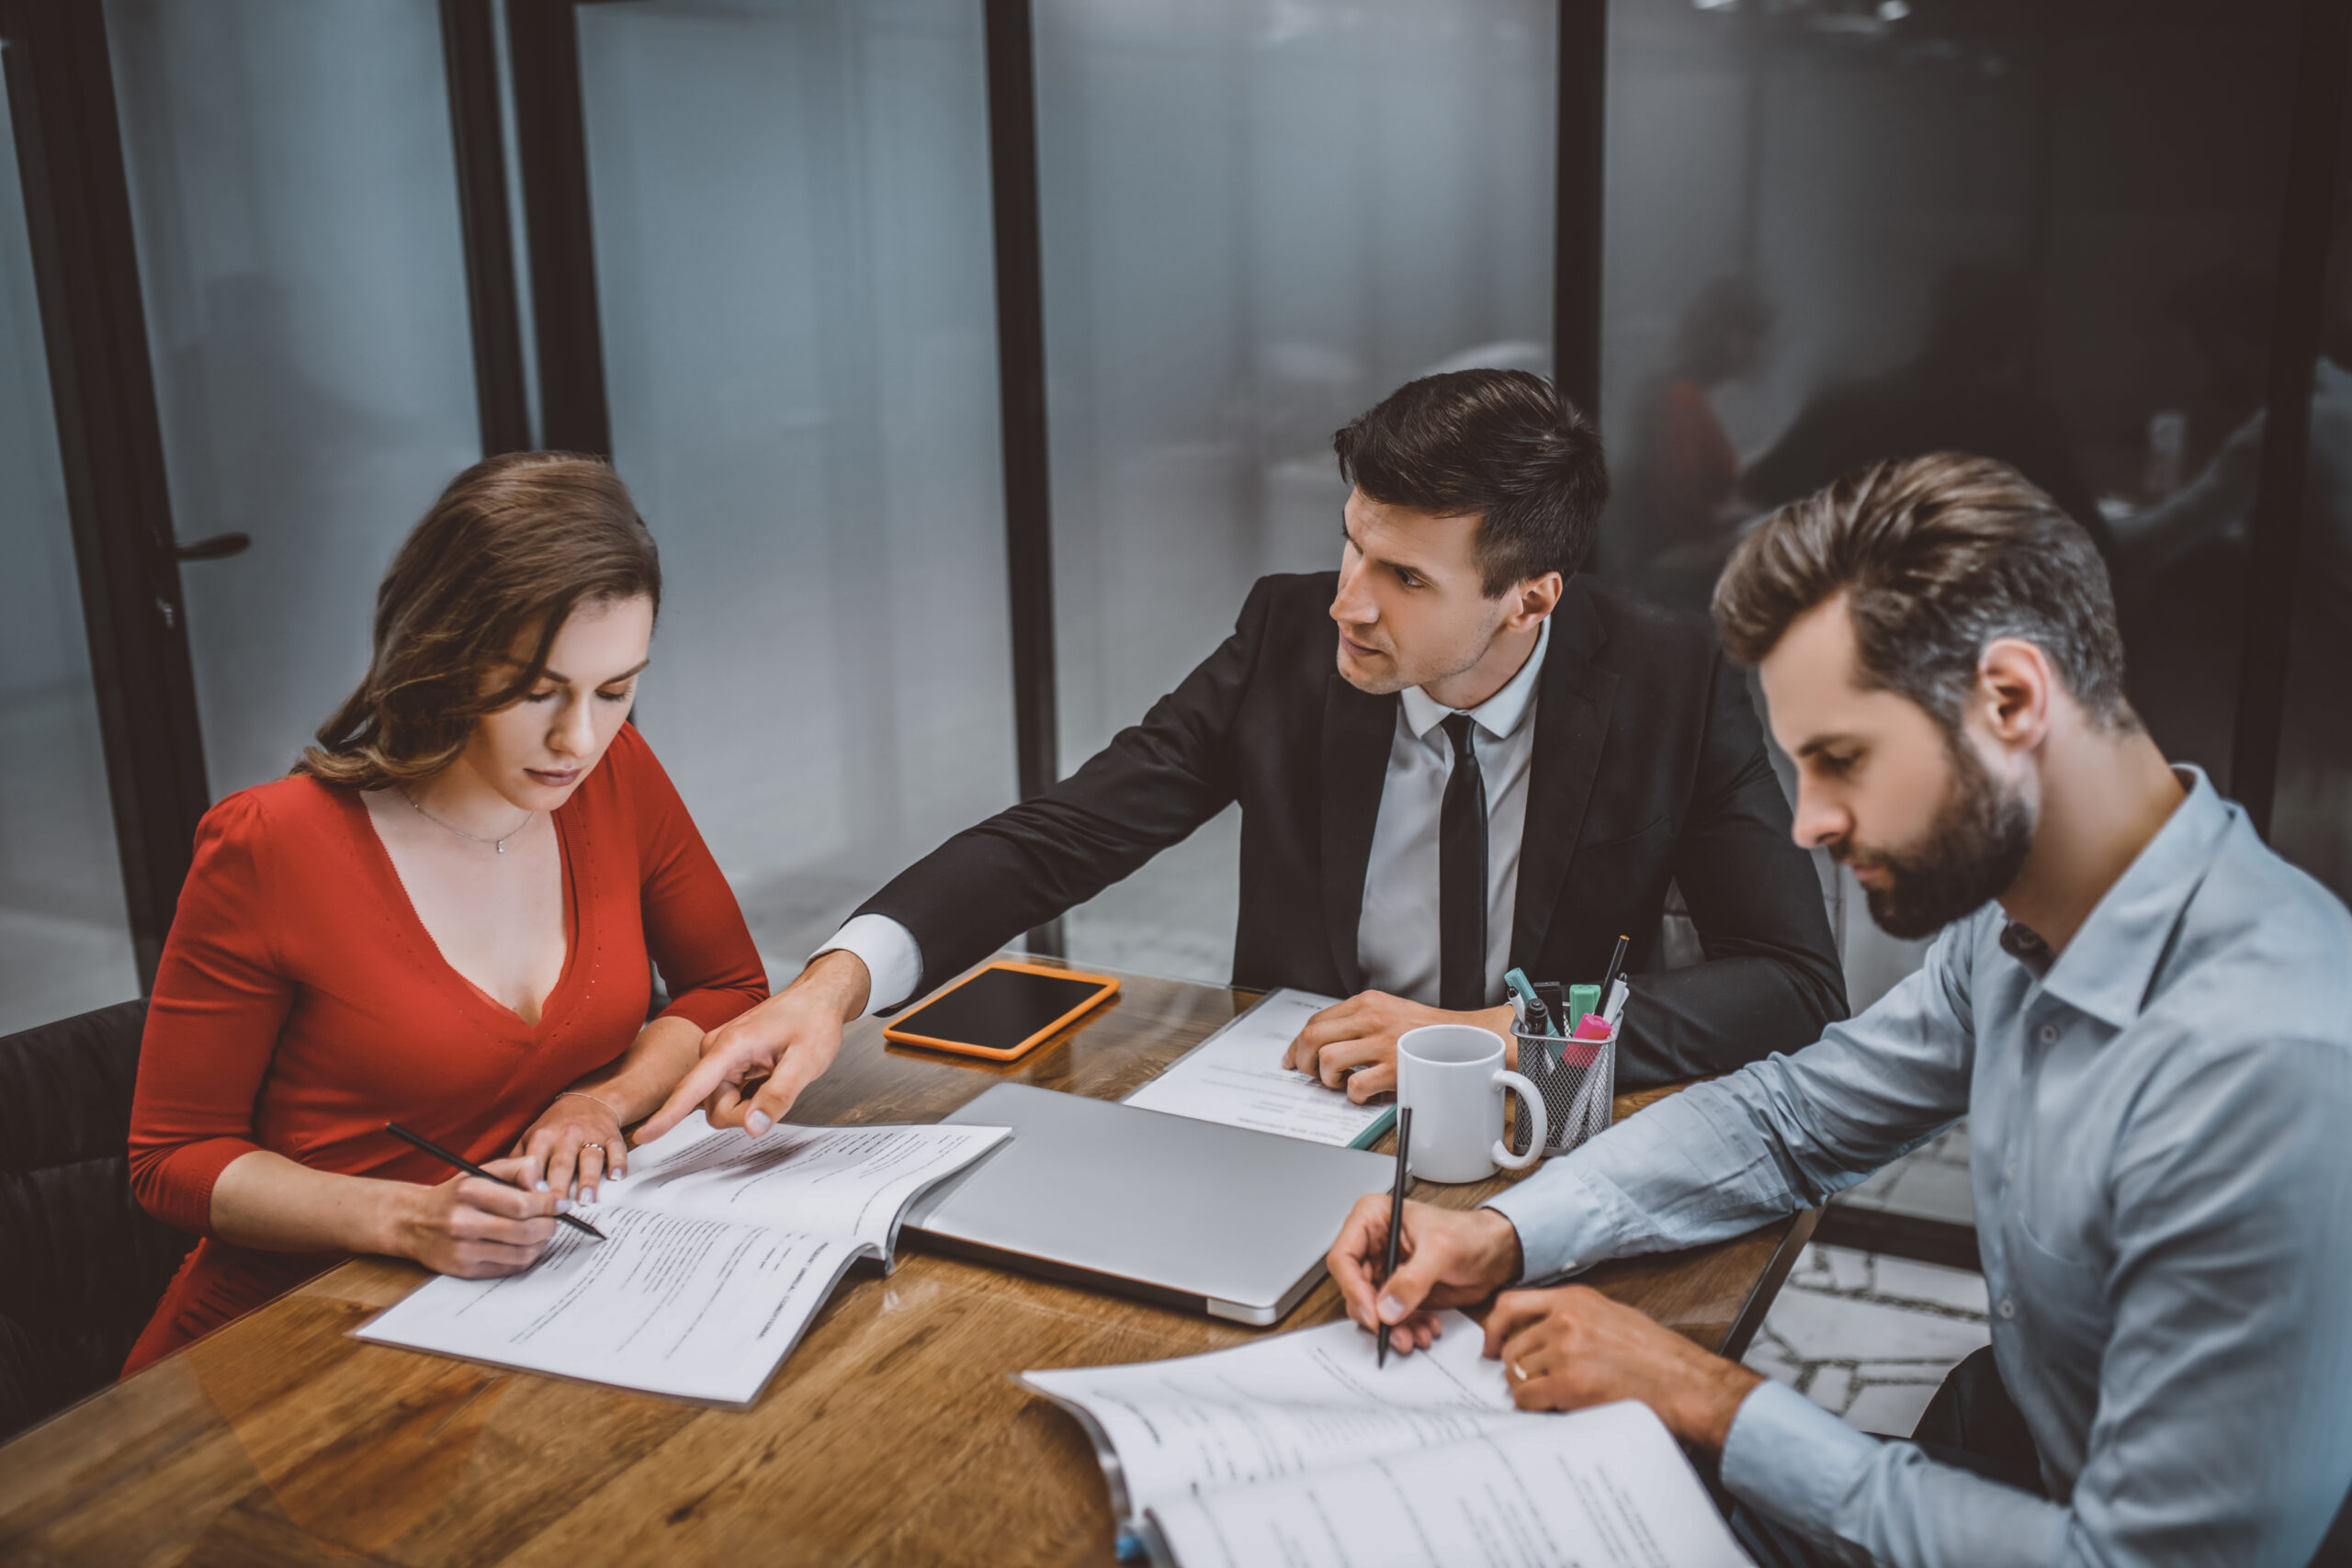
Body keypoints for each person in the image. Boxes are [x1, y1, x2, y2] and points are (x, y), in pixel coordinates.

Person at [1322, 452, 2352, 1567]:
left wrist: (1710, 1397)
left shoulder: (2271, 1068)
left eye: (1841, 761)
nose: (1809, 823)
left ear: (2009, 699)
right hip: (1998, 1450)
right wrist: (1501, 1232)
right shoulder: (2016, 928)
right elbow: (1787, 1119)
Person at [643, 369, 1844, 1144]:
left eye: (1406, 578)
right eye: (1351, 546)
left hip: (1538, 1119)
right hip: (1295, 1110)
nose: (1349, 605)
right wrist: (831, 986)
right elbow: (1060, 835)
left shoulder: (1670, 677)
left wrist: (1499, 1034)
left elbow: (1793, 979)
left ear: (1530, 597)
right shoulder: (1289, 639)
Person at [123, 452, 768, 1372]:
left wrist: (603, 1101)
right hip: (280, 1346)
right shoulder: (271, 843)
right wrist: (404, 1215)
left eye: (615, 691)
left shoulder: (618, 776)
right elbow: (170, 1158)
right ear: (446, 656)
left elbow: (730, 987)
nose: (577, 740)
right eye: (536, 690)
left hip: (519, 1322)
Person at [1742, 264, 2113, 558]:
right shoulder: (2028, 424)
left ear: (1934, 324)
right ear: (2014, 341)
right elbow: (2096, 545)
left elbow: (1761, 485)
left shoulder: (1846, 405)